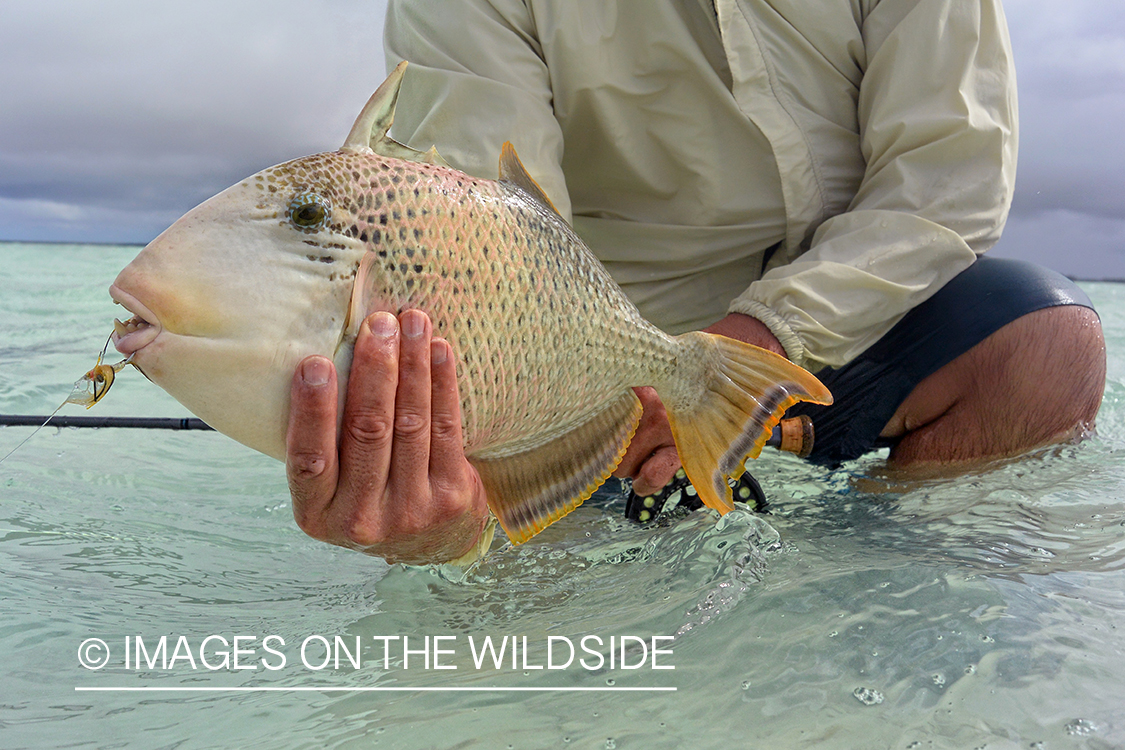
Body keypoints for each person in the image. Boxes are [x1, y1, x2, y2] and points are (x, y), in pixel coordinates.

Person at [284, 0, 1106, 565]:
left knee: (1042, 343)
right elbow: (483, 235)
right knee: (459, 562)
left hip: (853, 323)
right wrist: (455, 482)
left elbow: (944, 181)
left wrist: (758, 339)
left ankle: (849, 578)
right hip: (596, 369)